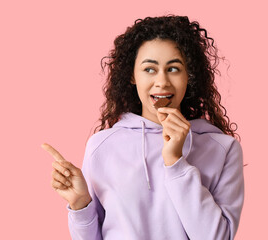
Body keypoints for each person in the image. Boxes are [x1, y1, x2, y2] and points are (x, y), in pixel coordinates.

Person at [41, 15, 244, 240]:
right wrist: (80, 204)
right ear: (132, 76)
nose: (162, 82)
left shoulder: (223, 149)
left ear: (189, 76)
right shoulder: (102, 146)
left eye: (174, 69)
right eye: (149, 69)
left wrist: (175, 163)